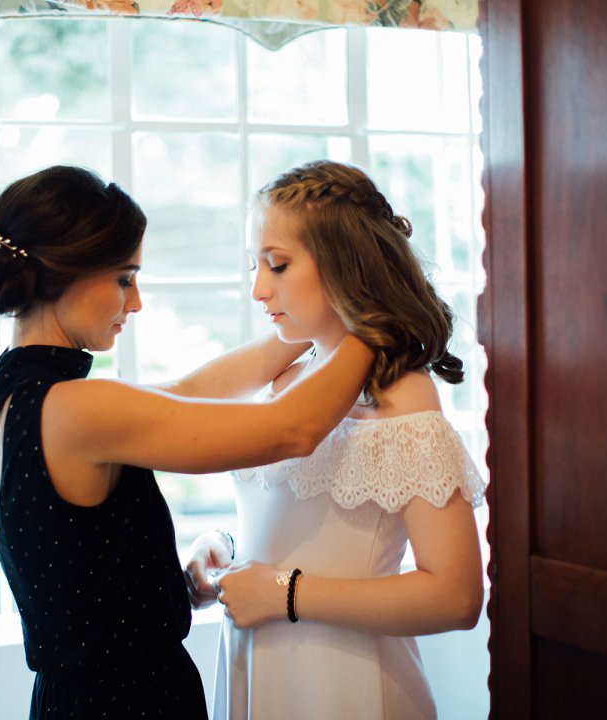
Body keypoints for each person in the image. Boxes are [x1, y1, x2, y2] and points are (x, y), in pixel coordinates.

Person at [0, 165, 374, 720]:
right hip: (133, 705)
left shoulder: (2, 400)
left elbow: (190, 391)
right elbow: (292, 430)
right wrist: (376, 316)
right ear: (66, 274)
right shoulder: (80, 408)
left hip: (68, 703)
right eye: (123, 278)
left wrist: (305, 325)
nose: (135, 302)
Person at [184, 160, 487, 720]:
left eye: (276, 265)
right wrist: (226, 547)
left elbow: (457, 595)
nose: (258, 288)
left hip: (347, 682)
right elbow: (295, 514)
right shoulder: (287, 373)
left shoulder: (404, 396)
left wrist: (284, 593)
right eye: (255, 265)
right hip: (261, 671)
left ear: (345, 264)